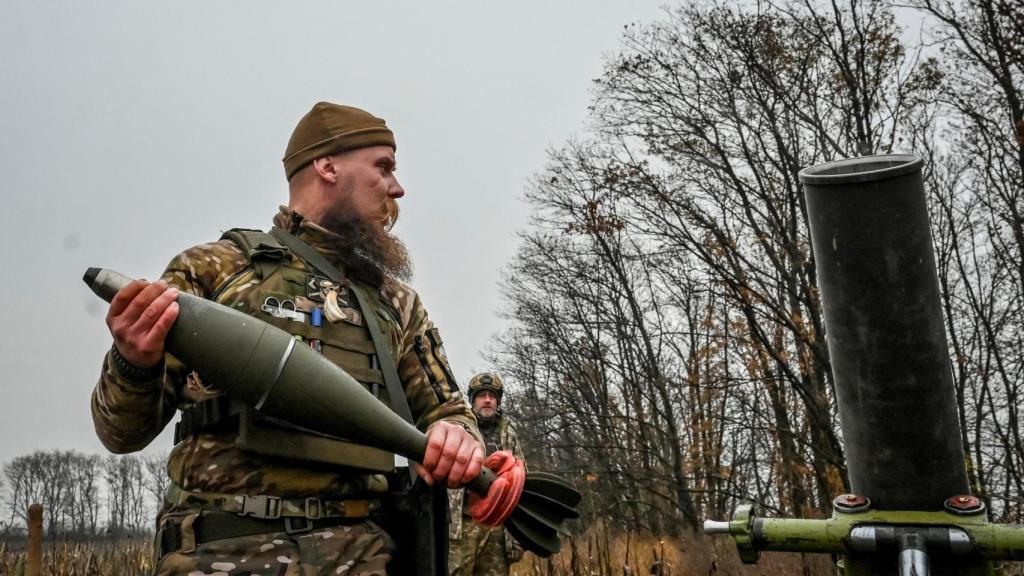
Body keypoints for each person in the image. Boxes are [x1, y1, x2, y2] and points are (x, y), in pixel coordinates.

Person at [92, 101, 484, 575]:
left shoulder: (395, 303)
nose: (397, 188)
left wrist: (458, 437)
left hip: (365, 560)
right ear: (327, 166)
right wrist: (134, 362)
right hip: (225, 556)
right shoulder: (215, 270)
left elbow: (450, 412)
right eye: (383, 167)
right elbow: (121, 433)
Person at [448, 372, 525, 575]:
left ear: (498, 401)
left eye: (492, 396)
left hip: (497, 527)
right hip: (462, 524)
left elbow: (521, 482)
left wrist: (517, 534)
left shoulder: (508, 434)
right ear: (473, 400)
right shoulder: (459, 430)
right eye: (482, 395)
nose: (488, 400)